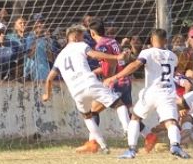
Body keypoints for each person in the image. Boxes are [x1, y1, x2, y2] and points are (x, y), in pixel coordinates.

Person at [42, 24, 130, 154]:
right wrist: (117, 57)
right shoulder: (80, 45)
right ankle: (128, 129)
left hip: (76, 92)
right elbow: (94, 55)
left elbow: (49, 79)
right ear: (75, 36)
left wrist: (47, 95)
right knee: (119, 104)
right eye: (82, 36)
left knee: (87, 116)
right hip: (89, 83)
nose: (84, 39)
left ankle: (103, 146)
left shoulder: (60, 56)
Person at [104, 28, 191, 159]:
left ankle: (131, 150)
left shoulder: (147, 52)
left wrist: (114, 77)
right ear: (166, 41)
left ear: (151, 40)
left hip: (152, 92)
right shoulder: (173, 56)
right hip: (167, 93)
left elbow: (135, 65)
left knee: (135, 118)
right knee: (171, 122)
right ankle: (175, 146)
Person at [75, 19, 132, 153]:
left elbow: (110, 64)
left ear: (92, 33)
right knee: (129, 114)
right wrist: (95, 72)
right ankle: (149, 137)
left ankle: (93, 143)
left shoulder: (101, 46)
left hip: (114, 81)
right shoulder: (112, 41)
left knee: (92, 111)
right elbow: (118, 60)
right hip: (125, 80)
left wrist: (108, 79)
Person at [23, 15, 58, 81]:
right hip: (33, 75)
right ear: (33, 24)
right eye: (37, 22)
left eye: (41, 22)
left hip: (47, 74)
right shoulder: (29, 37)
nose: (39, 25)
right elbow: (30, 55)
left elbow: (52, 59)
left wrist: (48, 41)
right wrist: (37, 37)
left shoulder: (50, 39)